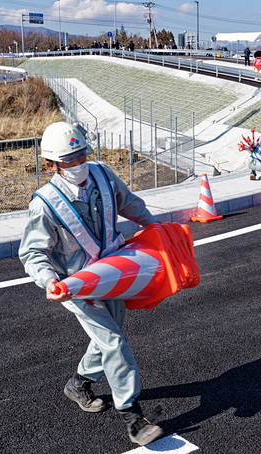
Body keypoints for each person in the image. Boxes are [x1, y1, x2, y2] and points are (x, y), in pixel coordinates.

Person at [18, 122, 163, 447]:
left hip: (114, 273)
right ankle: (132, 417)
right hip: (78, 285)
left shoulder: (101, 174)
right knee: (113, 342)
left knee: (107, 338)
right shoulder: (45, 204)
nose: (78, 164)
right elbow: (32, 252)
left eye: (81, 154)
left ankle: (79, 384)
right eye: (69, 160)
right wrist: (49, 280)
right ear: (50, 165)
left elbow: (128, 202)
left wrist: (155, 226)